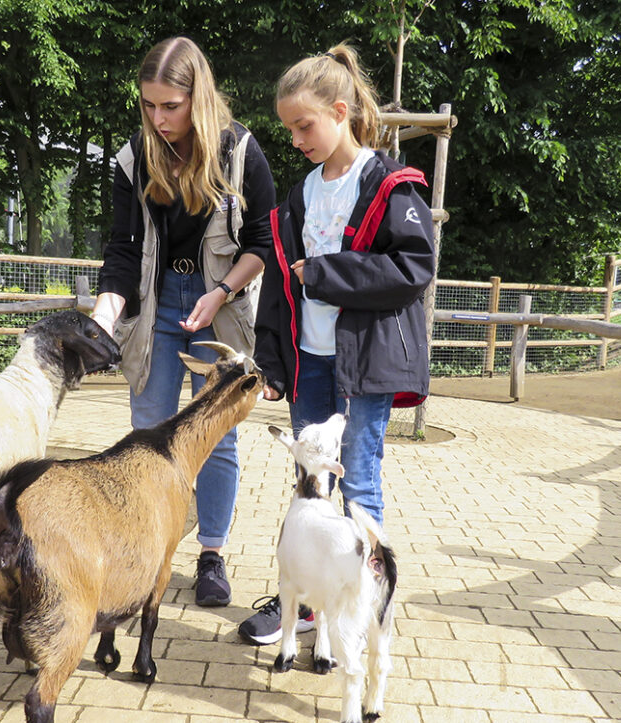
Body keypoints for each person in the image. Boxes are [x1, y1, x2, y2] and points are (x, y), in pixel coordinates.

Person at [239, 44, 435, 644]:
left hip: (364, 365)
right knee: (309, 481)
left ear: (341, 110)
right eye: (290, 129)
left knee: (361, 481)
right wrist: (271, 362)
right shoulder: (299, 196)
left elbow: (413, 268)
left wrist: (327, 273)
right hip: (309, 361)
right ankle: (305, 601)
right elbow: (278, 284)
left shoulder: (390, 185)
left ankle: (365, 602)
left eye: (305, 125)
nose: (297, 138)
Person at [91, 37, 276, 607]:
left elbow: (263, 243)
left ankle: (212, 556)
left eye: (170, 106)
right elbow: (122, 253)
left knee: (213, 437)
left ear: (197, 97)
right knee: (148, 435)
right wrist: (102, 320)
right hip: (157, 302)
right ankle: (143, 555)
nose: (158, 118)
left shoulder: (240, 152)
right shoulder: (133, 158)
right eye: (148, 105)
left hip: (220, 303)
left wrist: (220, 293)